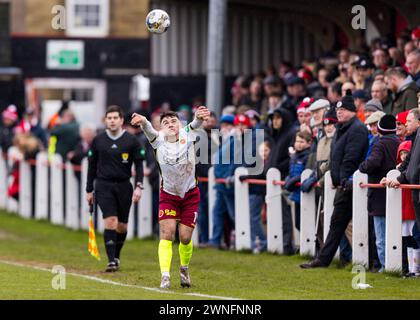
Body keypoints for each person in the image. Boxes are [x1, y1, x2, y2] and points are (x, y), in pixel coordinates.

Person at [130, 106, 210, 289]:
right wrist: (143, 121)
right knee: (167, 234)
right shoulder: (157, 140)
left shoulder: (187, 133)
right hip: (168, 194)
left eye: (173, 121)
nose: (170, 124)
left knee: (185, 237)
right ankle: (165, 276)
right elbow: (148, 128)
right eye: (165, 122)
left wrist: (198, 116)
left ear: (179, 124)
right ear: (161, 128)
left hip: (190, 194)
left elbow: (196, 123)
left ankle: (184, 268)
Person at [300, 91, 369, 269]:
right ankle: (324, 260)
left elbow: (351, 158)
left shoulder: (357, 129)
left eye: (343, 109)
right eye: (338, 110)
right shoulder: (341, 128)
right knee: (337, 223)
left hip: (351, 185)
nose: (339, 112)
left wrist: (344, 179)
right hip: (342, 184)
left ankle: (369, 261)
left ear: (352, 111)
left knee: (353, 225)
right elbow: (335, 156)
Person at [86, 105, 145, 273]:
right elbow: (91, 167)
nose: (112, 121)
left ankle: (117, 256)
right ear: (105, 120)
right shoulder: (98, 140)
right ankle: (111, 261)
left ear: (121, 120)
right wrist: (89, 190)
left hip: (124, 186)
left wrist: (138, 186)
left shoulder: (132, 140)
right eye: (109, 118)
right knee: (110, 220)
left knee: (122, 226)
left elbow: (140, 165)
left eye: (115, 118)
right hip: (103, 185)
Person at [359, 115, 400, 272]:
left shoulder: (380, 144)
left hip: (379, 195)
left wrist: (362, 166)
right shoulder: (399, 142)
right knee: (395, 232)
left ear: (381, 129)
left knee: (381, 235)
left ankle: (385, 266)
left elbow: (373, 163)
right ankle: (396, 265)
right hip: (396, 194)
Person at [284, 131, 313, 231]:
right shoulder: (294, 157)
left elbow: (306, 173)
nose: (298, 144)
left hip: (305, 193)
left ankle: (314, 245)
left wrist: (293, 180)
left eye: (302, 142)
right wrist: (289, 179)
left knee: (307, 223)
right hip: (296, 194)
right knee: (298, 223)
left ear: (309, 143)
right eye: (297, 141)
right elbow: (292, 172)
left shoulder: (309, 156)